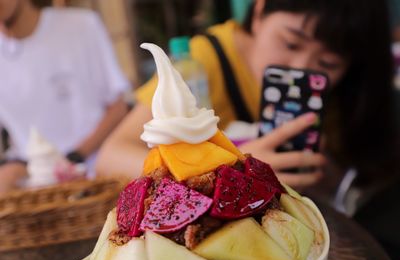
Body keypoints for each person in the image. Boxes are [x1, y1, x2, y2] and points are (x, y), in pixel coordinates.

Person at [96, 0, 397, 190]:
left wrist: (323, 172)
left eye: (328, 64)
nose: (302, 68)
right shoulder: (202, 61)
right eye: (291, 43)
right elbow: (110, 157)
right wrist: (232, 168)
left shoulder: (341, 92)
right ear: (259, 12)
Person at [0, 0, 130, 193]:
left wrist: (74, 158)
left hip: (96, 163)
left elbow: (117, 108)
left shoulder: (81, 26)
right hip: (33, 179)